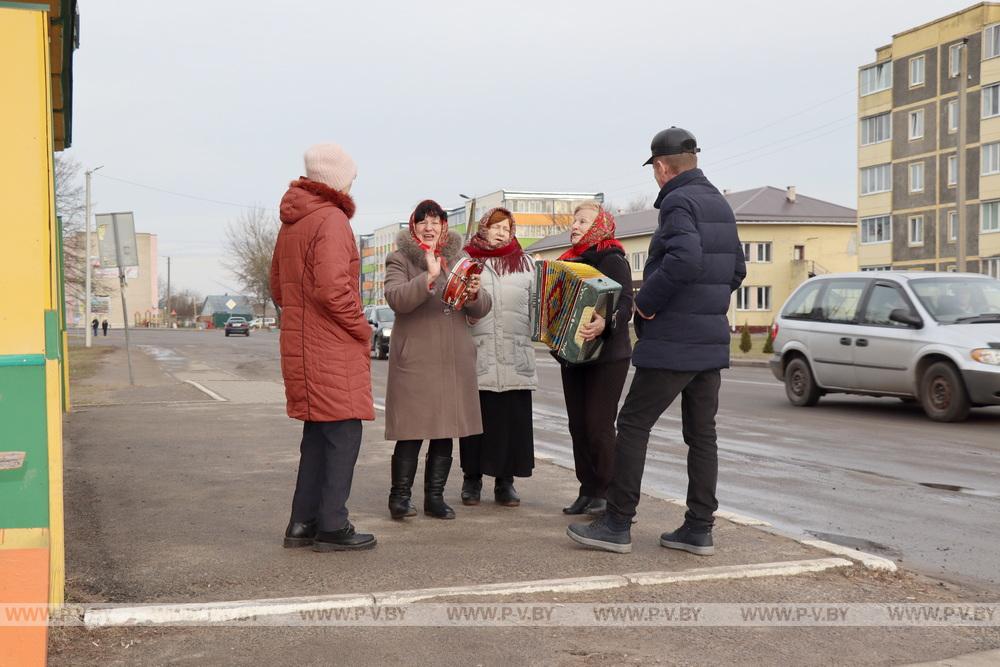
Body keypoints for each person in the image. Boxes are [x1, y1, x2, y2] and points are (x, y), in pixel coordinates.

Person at [567, 127, 746, 555]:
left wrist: (646, 302)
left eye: (654, 170)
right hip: (709, 340)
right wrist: (709, 304)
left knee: (631, 424)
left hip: (674, 340)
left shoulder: (679, 202)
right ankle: (699, 527)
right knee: (702, 436)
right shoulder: (719, 203)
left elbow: (685, 259)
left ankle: (617, 522)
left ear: (662, 167)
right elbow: (737, 269)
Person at [270, 143, 376, 552]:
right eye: (350, 175)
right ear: (335, 178)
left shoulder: (293, 222)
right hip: (332, 346)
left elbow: (278, 287)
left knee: (317, 436)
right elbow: (334, 289)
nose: (353, 182)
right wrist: (361, 328)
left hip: (301, 344)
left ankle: (302, 523)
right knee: (343, 434)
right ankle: (332, 524)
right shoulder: (331, 219)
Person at [384, 200, 491, 520]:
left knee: (445, 430)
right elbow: (396, 299)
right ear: (413, 226)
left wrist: (473, 293)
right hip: (416, 360)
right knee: (411, 432)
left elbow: (481, 308)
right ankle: (399, 497)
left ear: (444, 226)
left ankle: (435, 497)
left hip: (453, 360)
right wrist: (427, 278)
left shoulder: (460, 259)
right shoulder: (399, 259)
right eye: (423, 222)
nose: (429, 228)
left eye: (436, 222)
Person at [556, 202, 634, 517]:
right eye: (574, 221)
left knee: (598, 425)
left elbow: (626, 302)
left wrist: (606, 322)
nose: (574, 226)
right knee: (578, 425)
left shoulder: (612, 259)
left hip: (607, 355)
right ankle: (587, 489)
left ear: (599, 225)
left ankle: (607, 492)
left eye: (583, 221)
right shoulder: (568, 262)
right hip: (574, 355)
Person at [458, 208, 536, 507]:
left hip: (515, 351)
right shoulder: (467, 260)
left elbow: (535, 306)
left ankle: (506, 483)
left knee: (512, 421)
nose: (502, 232)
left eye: (507, 227)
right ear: (484, 229)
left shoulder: (525, 263)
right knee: (476, 421)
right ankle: (472, 479)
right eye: (496, 227)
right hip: (479, 351)